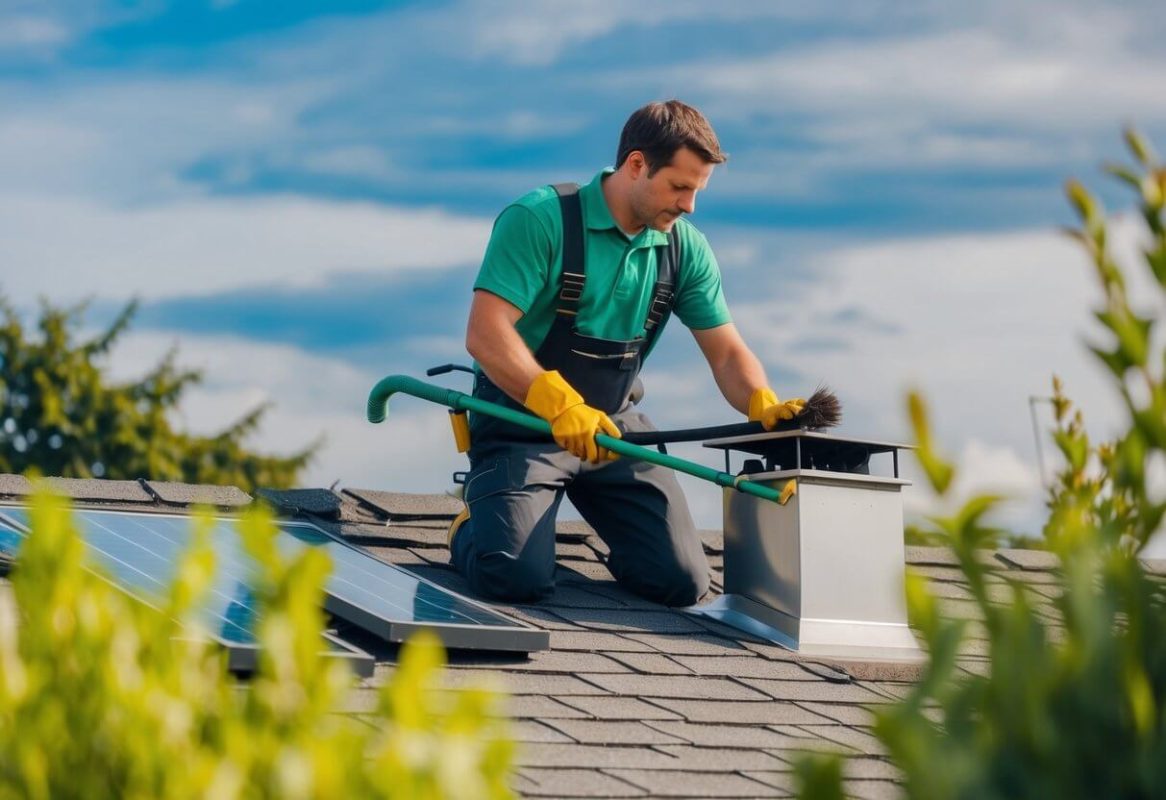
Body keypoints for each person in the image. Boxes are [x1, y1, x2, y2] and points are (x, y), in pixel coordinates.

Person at [449, 100, 803, 606]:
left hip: (614, 430)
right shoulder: (541, 219)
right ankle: (472, 526)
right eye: (680, 187)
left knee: (683, 582)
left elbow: (727, 353)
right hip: (523, 427)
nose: (689, 206)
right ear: (636, 165)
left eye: (697, 191)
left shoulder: (684, 248)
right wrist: (559, 405)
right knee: (513, 577)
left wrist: (760, 403)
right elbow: (485, 334)